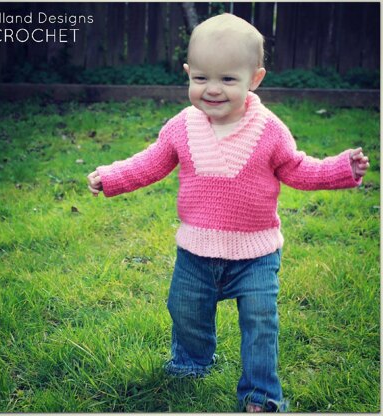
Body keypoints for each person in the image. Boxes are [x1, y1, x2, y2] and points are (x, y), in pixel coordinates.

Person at [87, 13, 370, 413]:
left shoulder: (269, 129)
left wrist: (341, 169)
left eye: (228, 79)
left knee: (260, 322)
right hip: (195, 253)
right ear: (187, 73)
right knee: (185, 310)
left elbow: (298, 168)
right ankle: (192, 362)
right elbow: (151, 162)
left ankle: (260, 394)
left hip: (256, 254)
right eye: (201, 78)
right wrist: (112, 177)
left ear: (255, 79)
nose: (213, 89)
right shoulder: (182, 126)